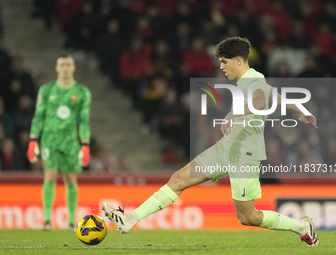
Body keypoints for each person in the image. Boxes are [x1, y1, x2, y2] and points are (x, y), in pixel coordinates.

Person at [102, 37, 319, 246]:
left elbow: (261, 100)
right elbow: (273, 96)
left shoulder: (253, 78)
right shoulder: (251, 80)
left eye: (224, 62)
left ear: (239, 61)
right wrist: (300, 111)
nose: (222, 67)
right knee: (178, 179)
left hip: (245, 155)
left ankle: (301, 228)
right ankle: (130, 219)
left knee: (248, 216)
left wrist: (233, 113)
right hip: (226, 148)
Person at [27, 54, 91, 230]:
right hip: (50, 139)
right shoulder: (46, 91)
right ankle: (47, 220)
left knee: (70, 179)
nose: (65, 68)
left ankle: (71, 222)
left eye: (68, 64)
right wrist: (33, 138)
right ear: (56, 68)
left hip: (70, 141)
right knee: (50, 176)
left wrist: (85, 143)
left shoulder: (82, 92)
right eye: (61, 64)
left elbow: (84, 119)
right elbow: (39, 115)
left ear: (73, 68)